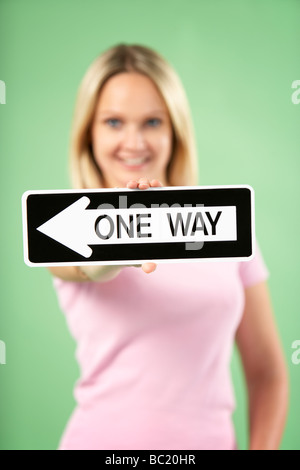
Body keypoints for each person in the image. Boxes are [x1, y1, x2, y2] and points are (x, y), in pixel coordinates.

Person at [48, 44, 288, 450]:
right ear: (89, 133)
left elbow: (266, 371)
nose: (134, 141)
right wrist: (120, 245)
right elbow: (86, 267)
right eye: (113, 122)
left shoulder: (226, 226)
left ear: (174, 130)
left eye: (153, 122)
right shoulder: (67, 226)